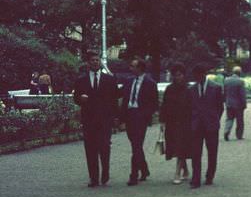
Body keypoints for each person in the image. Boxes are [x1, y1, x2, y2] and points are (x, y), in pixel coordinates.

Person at [72, 51, 118, 187]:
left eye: (97, 60)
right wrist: (80, 99)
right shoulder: (81, 80)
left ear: (100, 62)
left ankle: (105, 173)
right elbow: (76, 98)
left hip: (105, 120)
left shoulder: (109, 79)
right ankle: (93, 177)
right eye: (92, 60)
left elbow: (114, 100)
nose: (95, 62)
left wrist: (115, 118)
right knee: (90, 149)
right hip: (89, 120)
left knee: (104, 147)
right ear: (88, 63)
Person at [119, 57, 159, 186]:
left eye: (133, 66)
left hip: (140, 117)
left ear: (140, 68)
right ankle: (145, 169)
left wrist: (145, 115)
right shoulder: (128, 81)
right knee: (135, 145)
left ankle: (133, 175)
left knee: (136, 145)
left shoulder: (150, 83)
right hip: (130, 115)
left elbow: (154, 103)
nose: (130, 68)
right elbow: (123, 98)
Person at [189, 65, 224, 189]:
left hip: (211, 125)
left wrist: (214, 120)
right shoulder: (192, 89)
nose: (196, 78)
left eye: (198, 76)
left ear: (204, 74)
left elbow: (220, 107)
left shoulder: (216, 88)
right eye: (195, 76)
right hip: (197, 126)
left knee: (212, 152)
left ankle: (210, 176)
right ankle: (196, 178)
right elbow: (190, 108)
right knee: (195, 153)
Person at [160, 63, 192, 184]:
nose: (177, 77)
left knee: (181, 146)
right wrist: (162, 121)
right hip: (172, 122)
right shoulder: (169, 89)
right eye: (175, 75)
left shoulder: (188, 89)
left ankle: (177, 173)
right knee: (176, 147)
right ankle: (186, 170)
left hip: (185, 123)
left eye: (180, 75)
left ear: (184, 75)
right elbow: (164, 106)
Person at [223, 66, 247, 141]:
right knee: (239, 121)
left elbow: (224, 92)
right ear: (240, 73)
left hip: (229, 103)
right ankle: (239, 135)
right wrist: (244, 104)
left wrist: (225, 101)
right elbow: (242, 94)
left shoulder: (226, 80)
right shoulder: (240, 81)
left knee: (229, 119)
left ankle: (227, 131)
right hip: (238, 104)